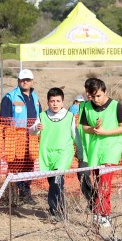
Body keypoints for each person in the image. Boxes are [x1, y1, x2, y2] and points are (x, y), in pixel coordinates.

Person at [80, 78, 122, 227]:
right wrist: (94, 129)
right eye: (92, 96)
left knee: (104, 184)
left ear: (105, 92)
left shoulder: (115, 106)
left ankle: (105, 214)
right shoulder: (86, 107)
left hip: (111, 150)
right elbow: (84, 127)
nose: (96, 99)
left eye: (98, 96)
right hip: (95, 151)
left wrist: (105, 132)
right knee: (97, 184)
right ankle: (97, 212)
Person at [28, 87, 83, 220]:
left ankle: (55, 212)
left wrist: (80, 153)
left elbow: (76, 136)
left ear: (62, 102)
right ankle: (59, 209)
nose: (55, 103)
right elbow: (32, 131)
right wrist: (36, 128)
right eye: (52, 101)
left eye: (58, 101)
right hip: (47, 155)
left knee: (57, 182)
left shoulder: (69, 116)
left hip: (63, 154)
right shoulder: (42, 115)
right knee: (53, 182)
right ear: (48, 102)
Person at [0, 69, 42, 205]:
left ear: (32, 81)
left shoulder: (35, 97)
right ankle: (13, 195)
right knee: (15, 166)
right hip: (15, 137)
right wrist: (8, 136)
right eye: (23, 80)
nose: (25, 82)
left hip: (32, 136)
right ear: (18, 81)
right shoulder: (9, 97)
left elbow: (40, 115)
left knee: (29, 165)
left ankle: (25, 192)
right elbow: (3, 120)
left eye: (28, 80)